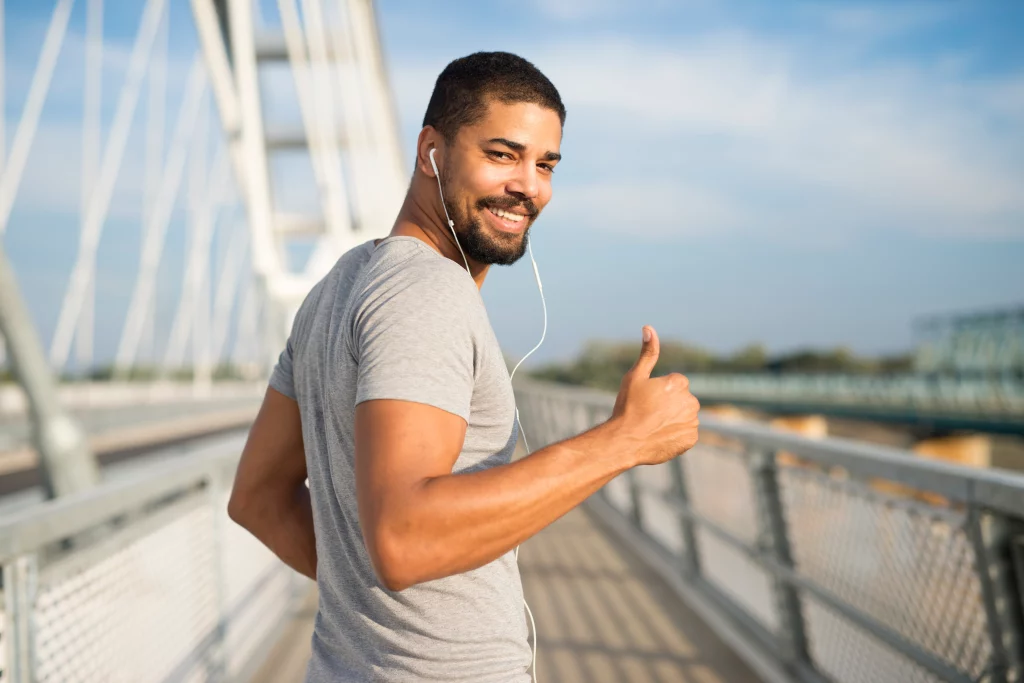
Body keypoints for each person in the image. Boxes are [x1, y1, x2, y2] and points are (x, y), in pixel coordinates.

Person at [227, 51, 701, 682]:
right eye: (502, 155)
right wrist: (623, 441)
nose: (529, 185)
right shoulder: (427, 291)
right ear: (432, 151)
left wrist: (376, 603)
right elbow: (404, 537)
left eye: (545, 164)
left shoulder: (338, 286)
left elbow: (256, 498)